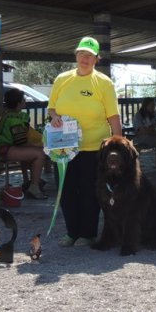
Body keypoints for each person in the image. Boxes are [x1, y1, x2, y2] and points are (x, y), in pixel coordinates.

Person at [48, 36, 122, 247]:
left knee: (90, 191)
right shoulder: (62, 79)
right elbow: (52, 108)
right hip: (63, 148)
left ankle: (88, 233)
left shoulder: (104, 83)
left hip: (93, 148)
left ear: (96, 59)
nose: (85, 58)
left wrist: (119, 146)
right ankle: (72, 232)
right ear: (76, 56)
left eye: (90, 55)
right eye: (82, 54)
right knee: (66, 191)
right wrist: (53, 117)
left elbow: (113, 118)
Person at [0, 86, 48, 199]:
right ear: (18, 103)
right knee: (40, 154)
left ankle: (27, 181)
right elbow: (21, 142)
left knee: (31, 153)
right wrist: (39, 145)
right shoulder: (14, 119)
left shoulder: (7, 115)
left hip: (6, 147)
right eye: (23, 99)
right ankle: (34, 187)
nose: (25, 101)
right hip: (5, 149)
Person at [132, 97, 156, 172]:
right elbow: (141, 131)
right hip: (141, 137)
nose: (153, 107)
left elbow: (153, 127)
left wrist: (149, 130)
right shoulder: (138, 116)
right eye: (151, 105)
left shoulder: (153, 115)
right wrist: (149, 130)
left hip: (151, 135)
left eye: (154, 105)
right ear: (146, 105)